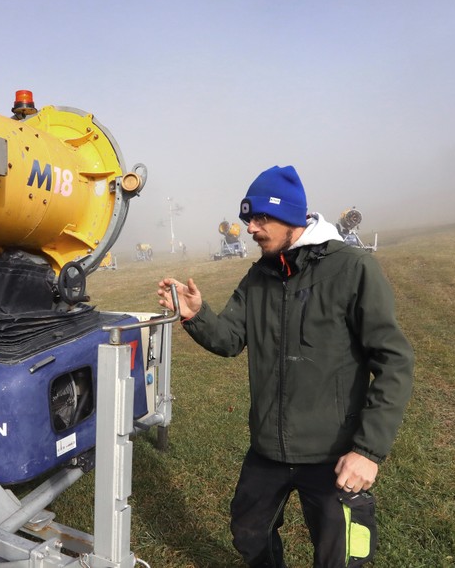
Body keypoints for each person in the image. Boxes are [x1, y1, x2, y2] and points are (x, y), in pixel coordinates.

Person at [157, 165, 414, 567]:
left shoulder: (352, 269)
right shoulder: (260, 275)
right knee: (248, 533)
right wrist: (196, 315)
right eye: (247, 220)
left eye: (260, 218)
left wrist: (367, 451)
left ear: (292, 216)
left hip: (334, 451)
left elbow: (394, 360)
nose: (250, 229)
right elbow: (229, 339)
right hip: (268, 449)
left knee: (341, 556)